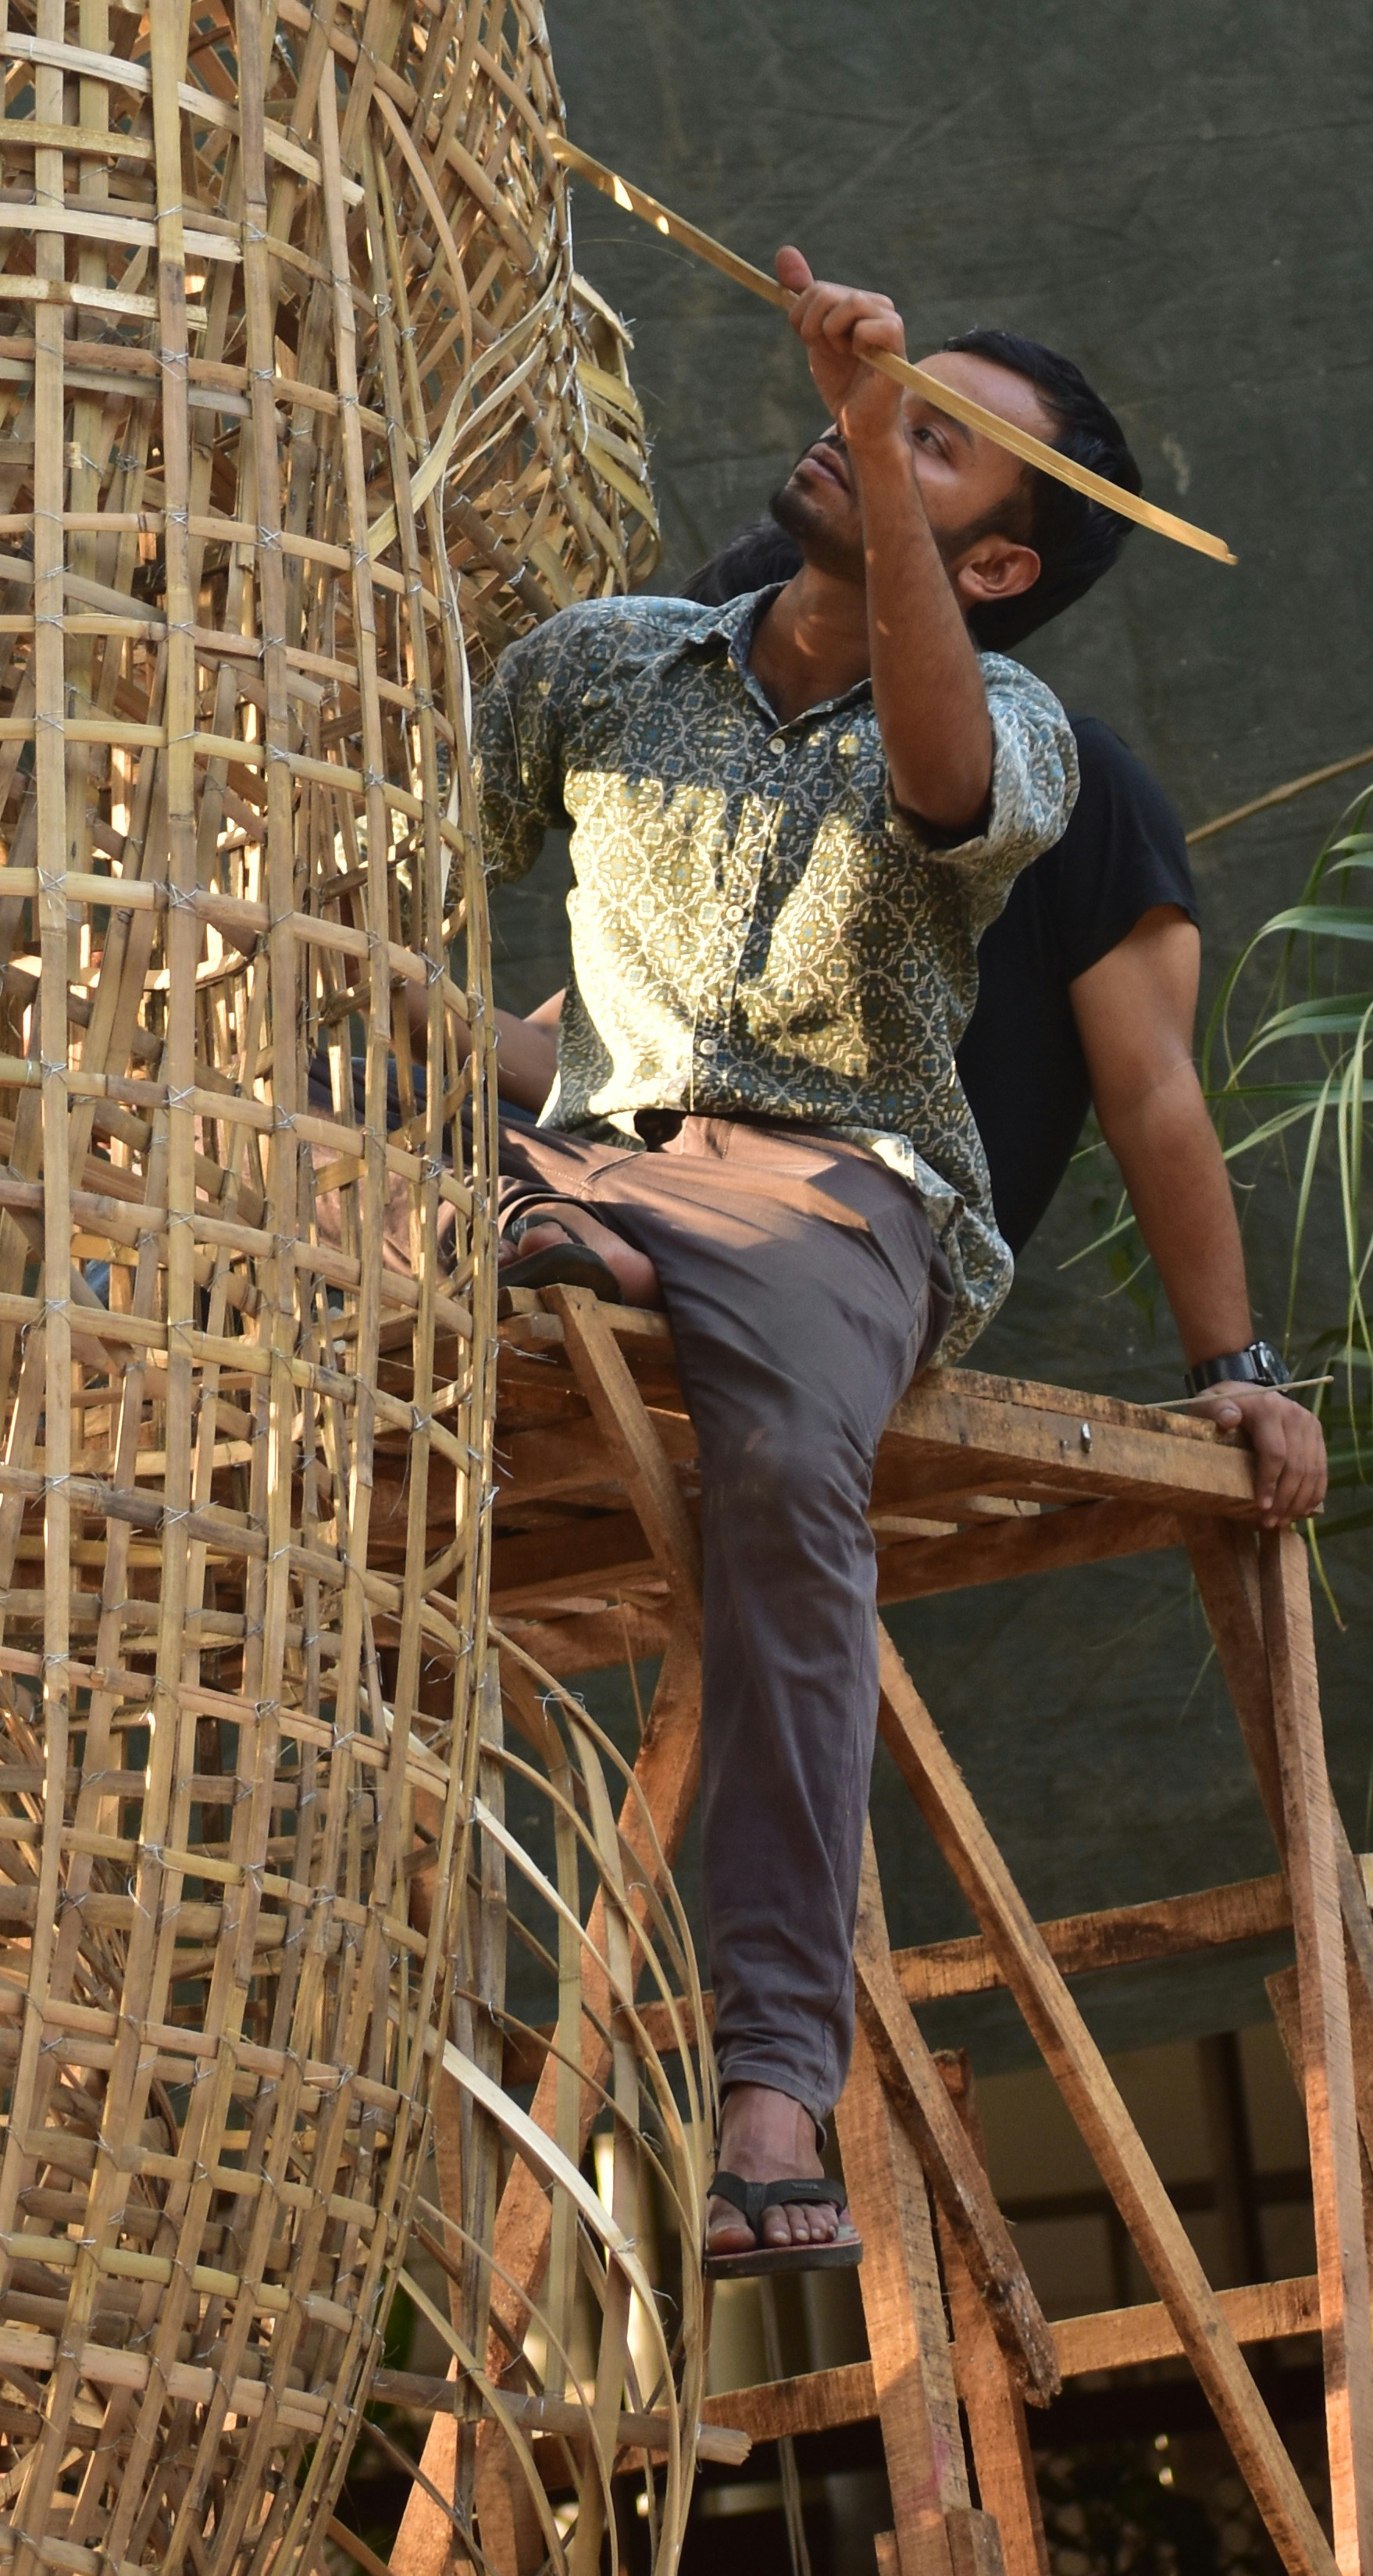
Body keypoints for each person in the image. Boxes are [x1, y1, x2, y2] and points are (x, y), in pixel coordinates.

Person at [473, 257, 1098, 2278]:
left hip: (840, 1196)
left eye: (936, 436)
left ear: (994, 565)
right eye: (877, 399)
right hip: (592, 1144)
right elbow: (391, 884)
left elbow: (934, 781)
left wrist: (872, 416)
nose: (867, 425)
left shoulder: (1013, 724)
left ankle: (771, 2074)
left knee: (778, 1486)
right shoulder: (601, 665)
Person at [666, 513, 1326, 1525]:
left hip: (860, 1249)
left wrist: (1237, 1371)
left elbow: (1153, 1092)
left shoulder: (1071, 784)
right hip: (667, 1198)